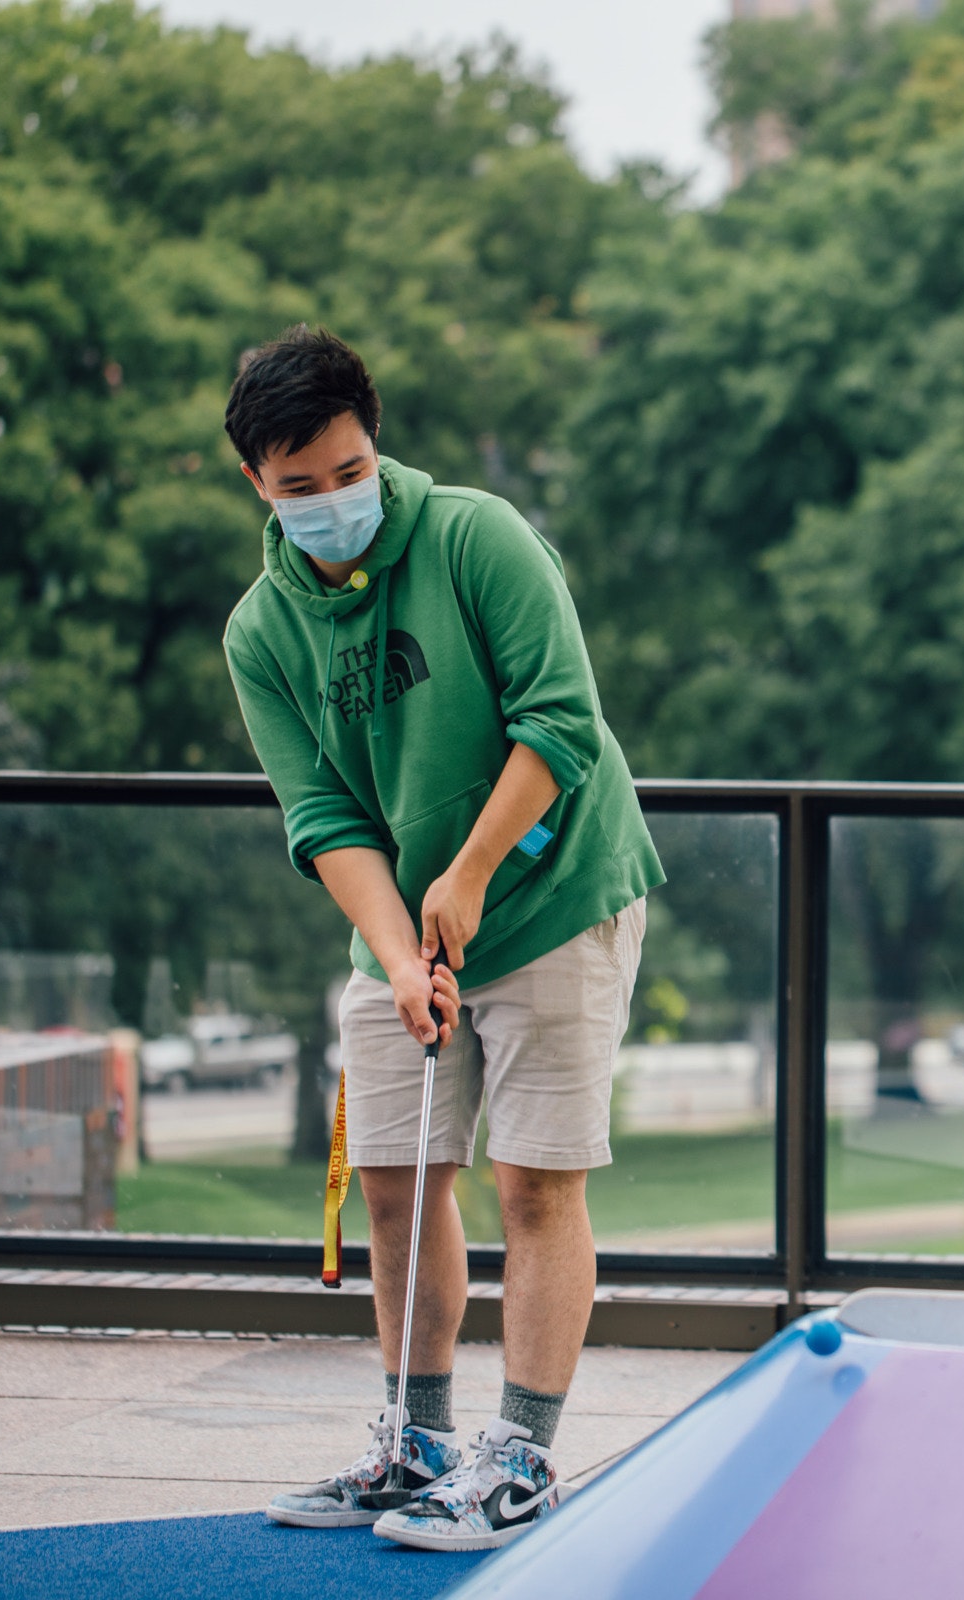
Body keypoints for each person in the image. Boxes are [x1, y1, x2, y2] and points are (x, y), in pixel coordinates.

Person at [222, 326, 664, 1551]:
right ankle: (416, 1442)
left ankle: (518, 1456)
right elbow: (324, 814)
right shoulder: (261, 632)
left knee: (535, 1180)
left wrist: (466, 876)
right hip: (404, 921)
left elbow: (562, 722)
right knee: (398, 1183)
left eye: (346, 472)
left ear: (376, 443)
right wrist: (398, 945)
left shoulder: (479, 536)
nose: (329, 502)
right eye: (297, 486)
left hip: (557, 884)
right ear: (257, 483)